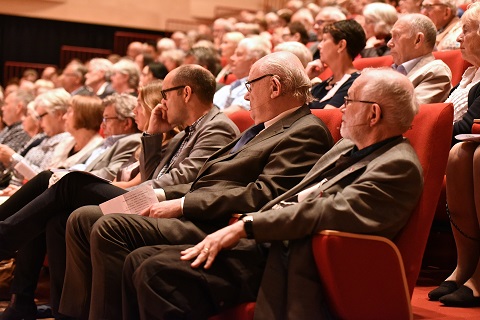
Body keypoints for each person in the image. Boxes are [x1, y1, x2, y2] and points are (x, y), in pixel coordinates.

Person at [120, 67, 424, 320]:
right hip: (265, 239)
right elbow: (296, 194)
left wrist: (246, 226)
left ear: (373, 114)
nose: (341, 107)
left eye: (350, 100)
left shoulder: (397, 166)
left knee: (155, 271)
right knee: (139, 258)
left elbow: (326, 211)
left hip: (291, 258)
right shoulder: (347, 145)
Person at [59, 51, 334, 320]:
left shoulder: (304, 131)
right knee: (84, 217)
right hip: (193, 204)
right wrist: (159, 194)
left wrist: (181, 205)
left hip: (215, 221)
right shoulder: (261, 128)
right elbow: (206, 179)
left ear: (274, 87)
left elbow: (263, 195)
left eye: (251, 86)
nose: (246, 95)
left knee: (110, 227)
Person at [0, 65, 240, 319]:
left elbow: (180, 181)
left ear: (186, 93)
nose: (163, 103)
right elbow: (152, 175)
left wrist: (128, 192)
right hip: (149, 195)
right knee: (58, 219)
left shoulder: (217, 128)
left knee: (71, 183)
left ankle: (3, 239)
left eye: (165, 95)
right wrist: (152, 135)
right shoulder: (186, 132)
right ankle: (54, 310)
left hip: (169, 207)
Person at [427, 3, 480, 307]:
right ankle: (465, 265)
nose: (459, 39)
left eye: (467, 30)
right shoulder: (472, 78)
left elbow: (458, 123)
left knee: (472, 155)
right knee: (461, 153)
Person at [0, 89, 71, 195]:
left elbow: (45, 178)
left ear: (58, 114)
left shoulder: (65, 141)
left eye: (41, 116)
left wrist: (13, 158)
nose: (39, 121)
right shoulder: (44, 137)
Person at [387, 13, 452, 104]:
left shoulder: (435, 71)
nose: (389, 44)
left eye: (396, 36)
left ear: (418, 40)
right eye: (391, 37)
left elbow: (408, 112)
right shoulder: (392, 69)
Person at [441, 2, 480, 145]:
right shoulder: (470, 74)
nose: (458, 38)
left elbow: (465, 129)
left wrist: (425, 128)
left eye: (466, 30)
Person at [306, 19, 367, 109]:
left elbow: (326, 119)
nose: (319, 46)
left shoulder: (355, 84)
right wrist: (306, 78)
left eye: (325, 40)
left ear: (341, 45)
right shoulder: (323, 84)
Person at [213, 37, 271, 114]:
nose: (232, 58)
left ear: (253, 62)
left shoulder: (255, 89)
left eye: (238, 55)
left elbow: (234, 115)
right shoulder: (229, 87)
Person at [0, 90, 34, 172]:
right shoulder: (10, 127)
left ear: (18, 107)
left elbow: (3, 160)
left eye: (6, 104)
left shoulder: (23, 130)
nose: (2, 108)